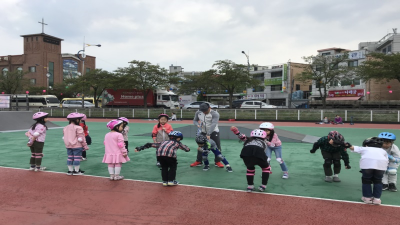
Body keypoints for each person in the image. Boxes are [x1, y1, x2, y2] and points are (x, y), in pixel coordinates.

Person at [347, 137, 388, 205]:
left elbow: (353, 147)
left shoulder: (365, 148)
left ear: (367, 144)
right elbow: (386, 160)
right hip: (381, 165)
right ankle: (377, 199)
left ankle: (367, 197)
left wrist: (347, 145)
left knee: (366, 180)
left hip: (367, 165)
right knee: (378, 181)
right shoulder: (383, 151)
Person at [190, 103, 224, 168]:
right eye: (203, 111)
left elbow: (213, 124)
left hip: (214, 132)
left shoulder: (215, 114)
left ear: (209, 108)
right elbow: (195, 120)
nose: (204, 112)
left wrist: (208, 133)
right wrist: (197, 124)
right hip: (203, 132)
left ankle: (217, 161)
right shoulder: (198, 112)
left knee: (217, 146)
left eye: (205, 111)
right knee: (201, 146)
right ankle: (199, 161)